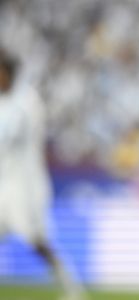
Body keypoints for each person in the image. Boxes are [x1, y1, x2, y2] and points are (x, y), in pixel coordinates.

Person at [0, 48, 85, 300]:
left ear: (9, 73)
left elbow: (12, 136)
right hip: (5, 184)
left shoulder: (26, 102)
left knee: (38, 242)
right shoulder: (4, 102)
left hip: (26, 186)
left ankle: (72, 289)